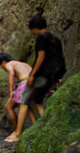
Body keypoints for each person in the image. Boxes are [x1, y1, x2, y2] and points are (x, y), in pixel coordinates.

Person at [4, 15, 66, 143]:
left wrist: (32, 75)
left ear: (34, 28)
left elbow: (41, 56)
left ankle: (17, 134)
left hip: (44, 74)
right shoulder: (55, 38)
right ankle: (44, 128)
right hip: (57, 72)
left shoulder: (41, 38)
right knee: (37, 101)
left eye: (31, 29)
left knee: (24, 101)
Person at [0, 52, 37, 130]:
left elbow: (11, 73)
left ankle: (16, 131)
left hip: (25, 83)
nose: (2, 68)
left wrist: (11, 91)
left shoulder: (9, 64)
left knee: (8, 106)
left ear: (3, 62)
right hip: (34, 83)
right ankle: (34, 124)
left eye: (1, 66)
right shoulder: (24, 64)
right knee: (25, 104)